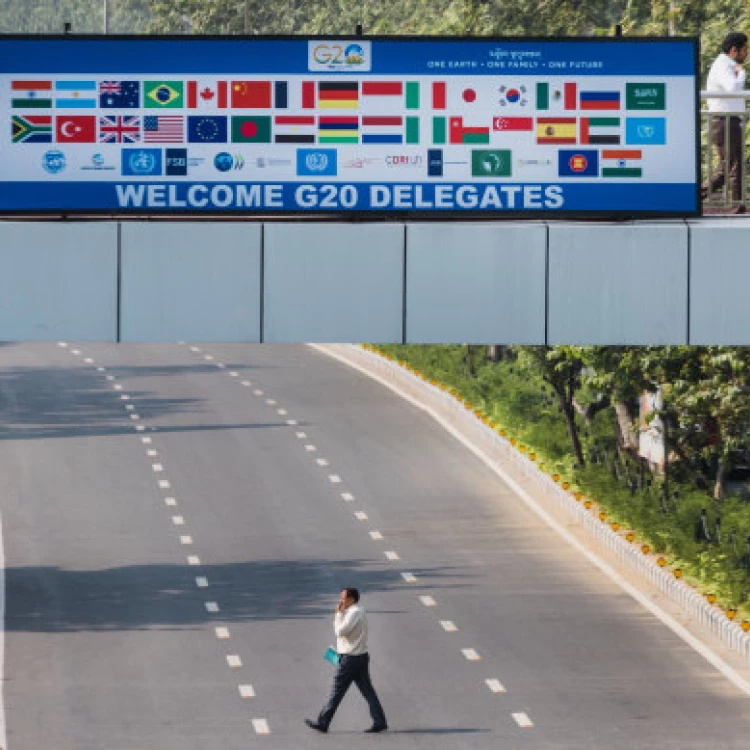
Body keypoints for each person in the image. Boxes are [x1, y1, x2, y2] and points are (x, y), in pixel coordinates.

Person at [305, 588, 388, 734]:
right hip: (359, 657)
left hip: (350, 659)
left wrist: (338, 614)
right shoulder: (357, 611)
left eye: (343, 598)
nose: (340, 601)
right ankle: (380, 721)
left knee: (337, 691)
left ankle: (323, 723)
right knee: (368, 691)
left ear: (352, 599)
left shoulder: (354, 613)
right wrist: (342, 613)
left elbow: (340, 632)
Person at [703, 31, 748, 213]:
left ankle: (694, 196)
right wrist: (742, 73)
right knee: (733, 164)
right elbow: (732, 88)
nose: (747, 53)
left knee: (728, 166)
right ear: (734, 50)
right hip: (724, 121)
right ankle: (737, 205)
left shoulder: (726, 64)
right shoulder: (724, 65)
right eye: (745, 49)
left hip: (727, 120)